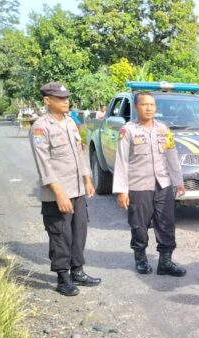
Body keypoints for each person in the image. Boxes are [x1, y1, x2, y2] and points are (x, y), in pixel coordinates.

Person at [29, 82, 101, 296]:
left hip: (77, 189)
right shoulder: (41, 127)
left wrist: (87, 179)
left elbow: (80, 154)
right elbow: (44, 164)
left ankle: (77, 271)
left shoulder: (70, 122)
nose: (66, 101)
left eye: (66, 97)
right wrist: (59, 193)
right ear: (47, 100)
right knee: (61, 235)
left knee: (79, 232)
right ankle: (62, 278)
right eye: (60, 98)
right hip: (57, 193)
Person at [112, 92, 187, 277]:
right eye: (144, 104)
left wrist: (178, 181)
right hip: (139, 186)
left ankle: (165, 262)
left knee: (166, 224)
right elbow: (121, 161)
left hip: (163, 184)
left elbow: (171, 156)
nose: (149, 108)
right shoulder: (127, 130)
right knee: (139, 225)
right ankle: (141, 259)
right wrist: (122, 191)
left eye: (152, 105)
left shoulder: (164, 129)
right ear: (136, 107)